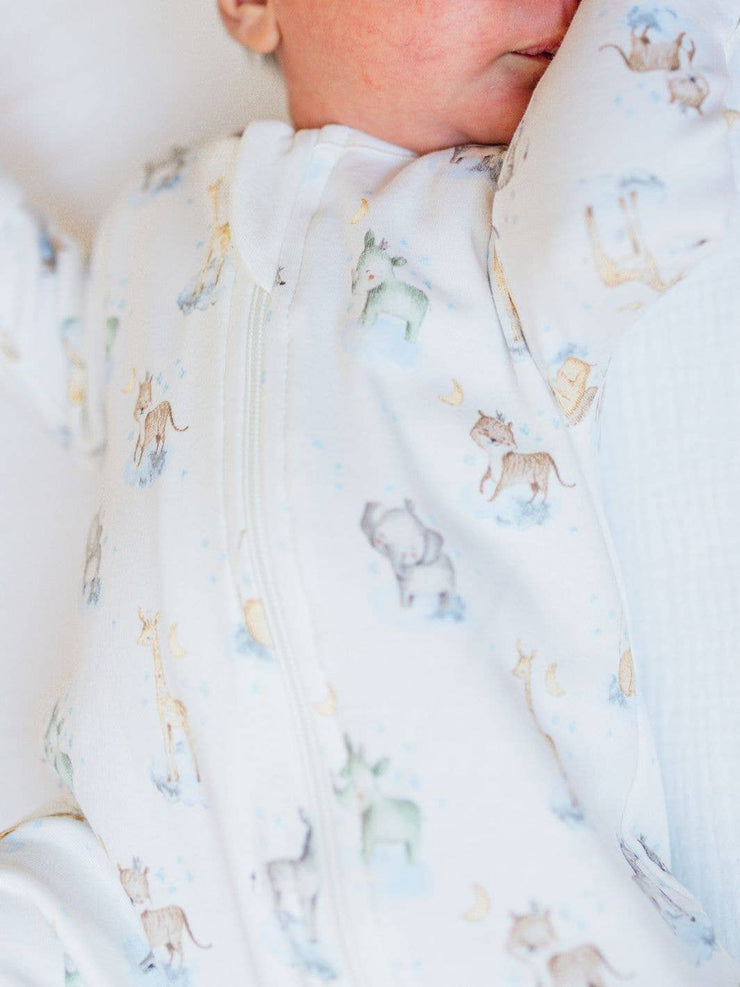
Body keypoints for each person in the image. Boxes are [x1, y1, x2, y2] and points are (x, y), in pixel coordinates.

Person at [0, 0, 738, 983]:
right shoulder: (155, 219)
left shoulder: (516, 222)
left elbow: (661, 134)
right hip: (157, 905)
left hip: (509, 911)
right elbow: (67, 347)